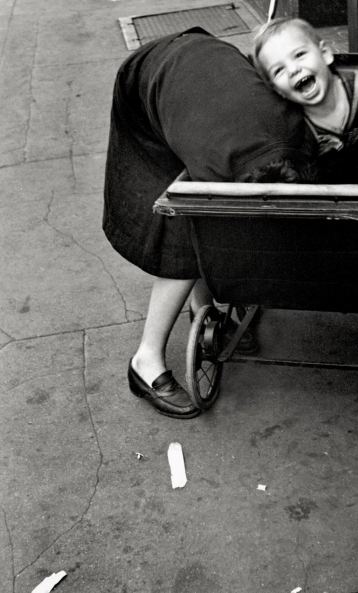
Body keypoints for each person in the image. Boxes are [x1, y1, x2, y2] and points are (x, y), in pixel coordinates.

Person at [103, 27, 313, 419]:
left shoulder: (293, 130)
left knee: (204, 225)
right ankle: (144, 362)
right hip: (147, 80)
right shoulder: (214, 159)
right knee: (183, 230)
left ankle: (207, 313)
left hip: (206, 68)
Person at [252, 18, 358, 185]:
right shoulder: (297, 126)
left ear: (325, 54)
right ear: (277, 91)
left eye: (299, 55)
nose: (293, 70)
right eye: (279, 70)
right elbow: (308, 182)